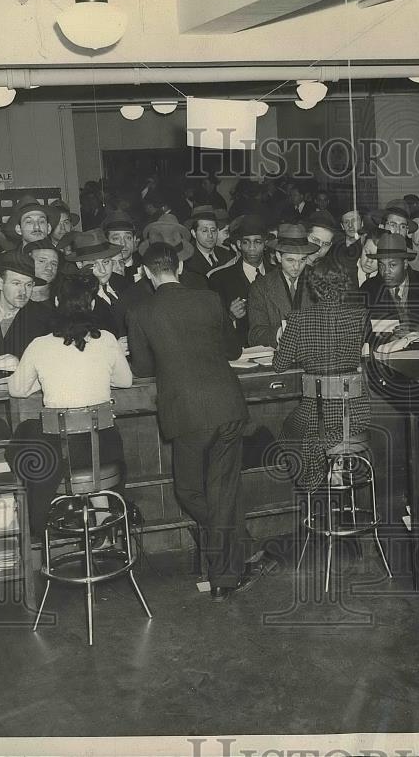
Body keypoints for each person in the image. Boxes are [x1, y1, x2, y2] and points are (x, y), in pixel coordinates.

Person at [127, 241, 271, 601]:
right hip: (227, 405)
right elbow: (233, 350)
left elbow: (143, 369)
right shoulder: (208, 299)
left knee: (188, 491)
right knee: (222, 493)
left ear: (146, 272)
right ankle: (239, 552)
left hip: (187, 412)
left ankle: (225, 576)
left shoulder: (140, 311)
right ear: (177, 267)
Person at [6, 272, 133, 537]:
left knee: (25, 437)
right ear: (92, 305)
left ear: (55, 303)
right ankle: (104, 526)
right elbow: (125, 381)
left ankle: (42, 523)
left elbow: (17, 390)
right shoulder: (107, 340)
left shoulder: (40, 345)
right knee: (92, 447)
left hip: (60, 460)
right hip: (105, 453)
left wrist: (44, 378)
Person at [272, 257, 370, 490]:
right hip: (356, 414)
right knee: (329, 429)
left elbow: (279, 365)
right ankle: (335, 462)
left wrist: (300, 351)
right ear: (345, 284)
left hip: (315, 415)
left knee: (286, 430)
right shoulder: (361, 316)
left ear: (313, 285)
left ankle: (312, 479)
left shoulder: (298, 318)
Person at [247, 224, 318, 348]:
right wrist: (279, 333)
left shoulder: (319, 281)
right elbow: (254, 335)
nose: (297, 267)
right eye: (290, 260)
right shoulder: (260, 287)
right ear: (279, 257)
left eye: (302, 260)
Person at [207, 215, 272, 345]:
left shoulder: (277, 274)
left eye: (257, 242)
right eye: (246, 242)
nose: (252, 248)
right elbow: (211, 327)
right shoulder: (220, 279)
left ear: (265, 244)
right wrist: (231, 316)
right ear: (238, 245)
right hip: (239, 352)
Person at [67, 228, 129, 338]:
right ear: (79, 265)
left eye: (106, 262)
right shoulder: (75, 297)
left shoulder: (124, 283)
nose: (103, 270)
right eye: (94, 264)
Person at [184, 205, 231, 276]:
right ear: (194, 233)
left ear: (217, 231)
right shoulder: (187, 262)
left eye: (213, 230)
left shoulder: (226, 255)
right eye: (204, 231)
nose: (210, 235)